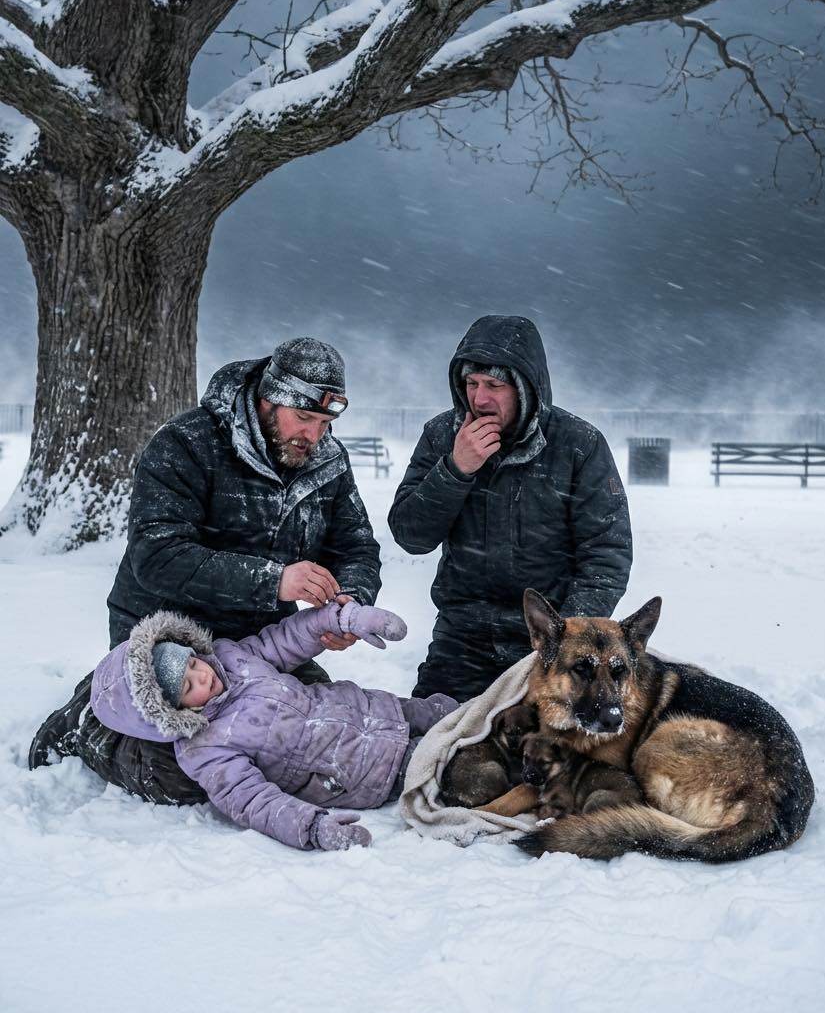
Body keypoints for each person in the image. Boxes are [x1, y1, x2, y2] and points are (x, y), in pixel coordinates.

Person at [29, 336, 382, 804]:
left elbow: (356, 545)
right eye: (304, 418)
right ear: (267, 399)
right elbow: (158, 556)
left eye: (324, 423)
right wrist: (274, 580)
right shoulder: (185, 444)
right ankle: (91, 720)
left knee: (317, 732)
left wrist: (349, 602)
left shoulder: (327, 461)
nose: (314, 436)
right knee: (187, 775)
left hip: (259, 646)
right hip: (168, 645)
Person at [388, 314, 632, 702]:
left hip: (546, 641)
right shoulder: (441, 436)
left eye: (494, 386)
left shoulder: (578, 445)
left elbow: (606, 557)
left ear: (525, 389)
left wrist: (562, 636)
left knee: (545, 754)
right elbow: (410, 536)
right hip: (461, 638)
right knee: (432, 743)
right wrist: (455, 469)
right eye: (471, 384)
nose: (479, 399)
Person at [90, 601, 456, 851]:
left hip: (374, 708)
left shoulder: (230, 658)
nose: (202, 676)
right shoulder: (204, 750)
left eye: (192, 665)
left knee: (457, 714)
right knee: (451, 758)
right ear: (169, 711)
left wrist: (342, 619)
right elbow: (254, 802)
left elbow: (287, 639)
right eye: (188, 687)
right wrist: (312, 828)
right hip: (361, 770)